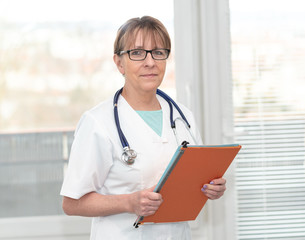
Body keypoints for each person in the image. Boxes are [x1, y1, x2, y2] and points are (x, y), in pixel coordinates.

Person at [60, 16, 226, 240]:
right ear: (119, 63)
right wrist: (129, 202)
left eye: (158, 52)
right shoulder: (98, 122)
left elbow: (192, 181)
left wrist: (210, 188)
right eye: (137, 53)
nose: (150, 62)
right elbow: (72, 203)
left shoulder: (183, 117)